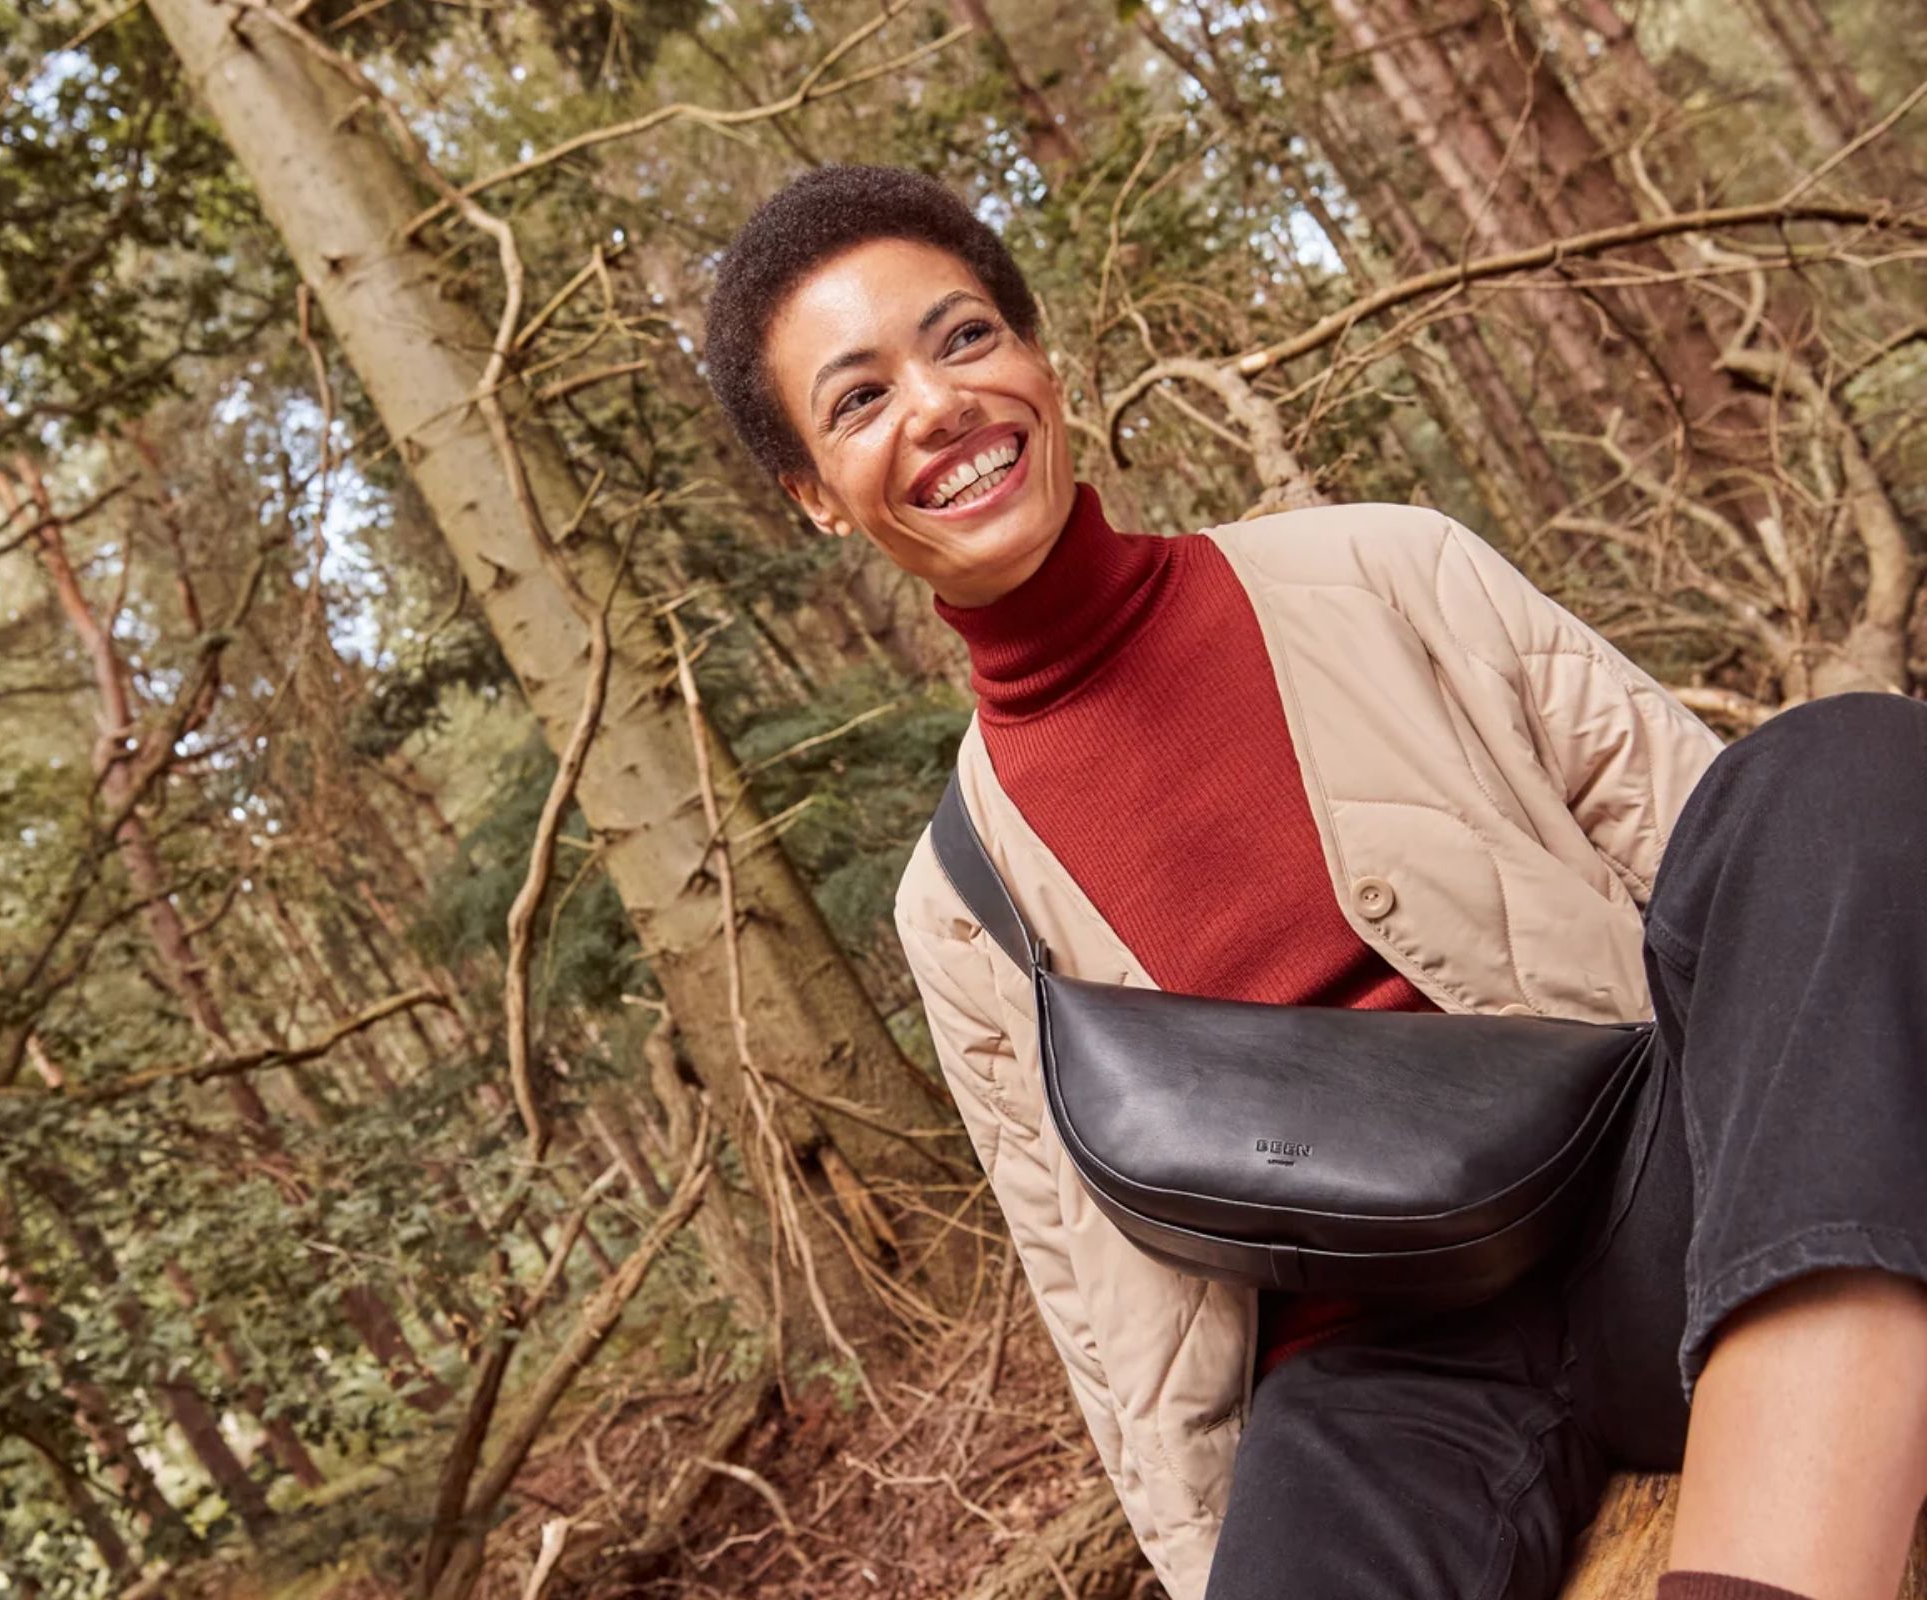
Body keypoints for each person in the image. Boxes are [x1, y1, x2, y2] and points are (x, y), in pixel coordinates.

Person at [700, 163, 1927, 1600]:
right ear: (816, 497)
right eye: (858, 399)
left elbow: (1744, 889)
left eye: (964, 337)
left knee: (1840, 768)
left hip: (1663, 1198)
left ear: (1038, 357)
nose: (938, 406)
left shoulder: (1384, 569)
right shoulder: (956, 905)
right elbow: (1110, 1328)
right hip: (1373, 1387)